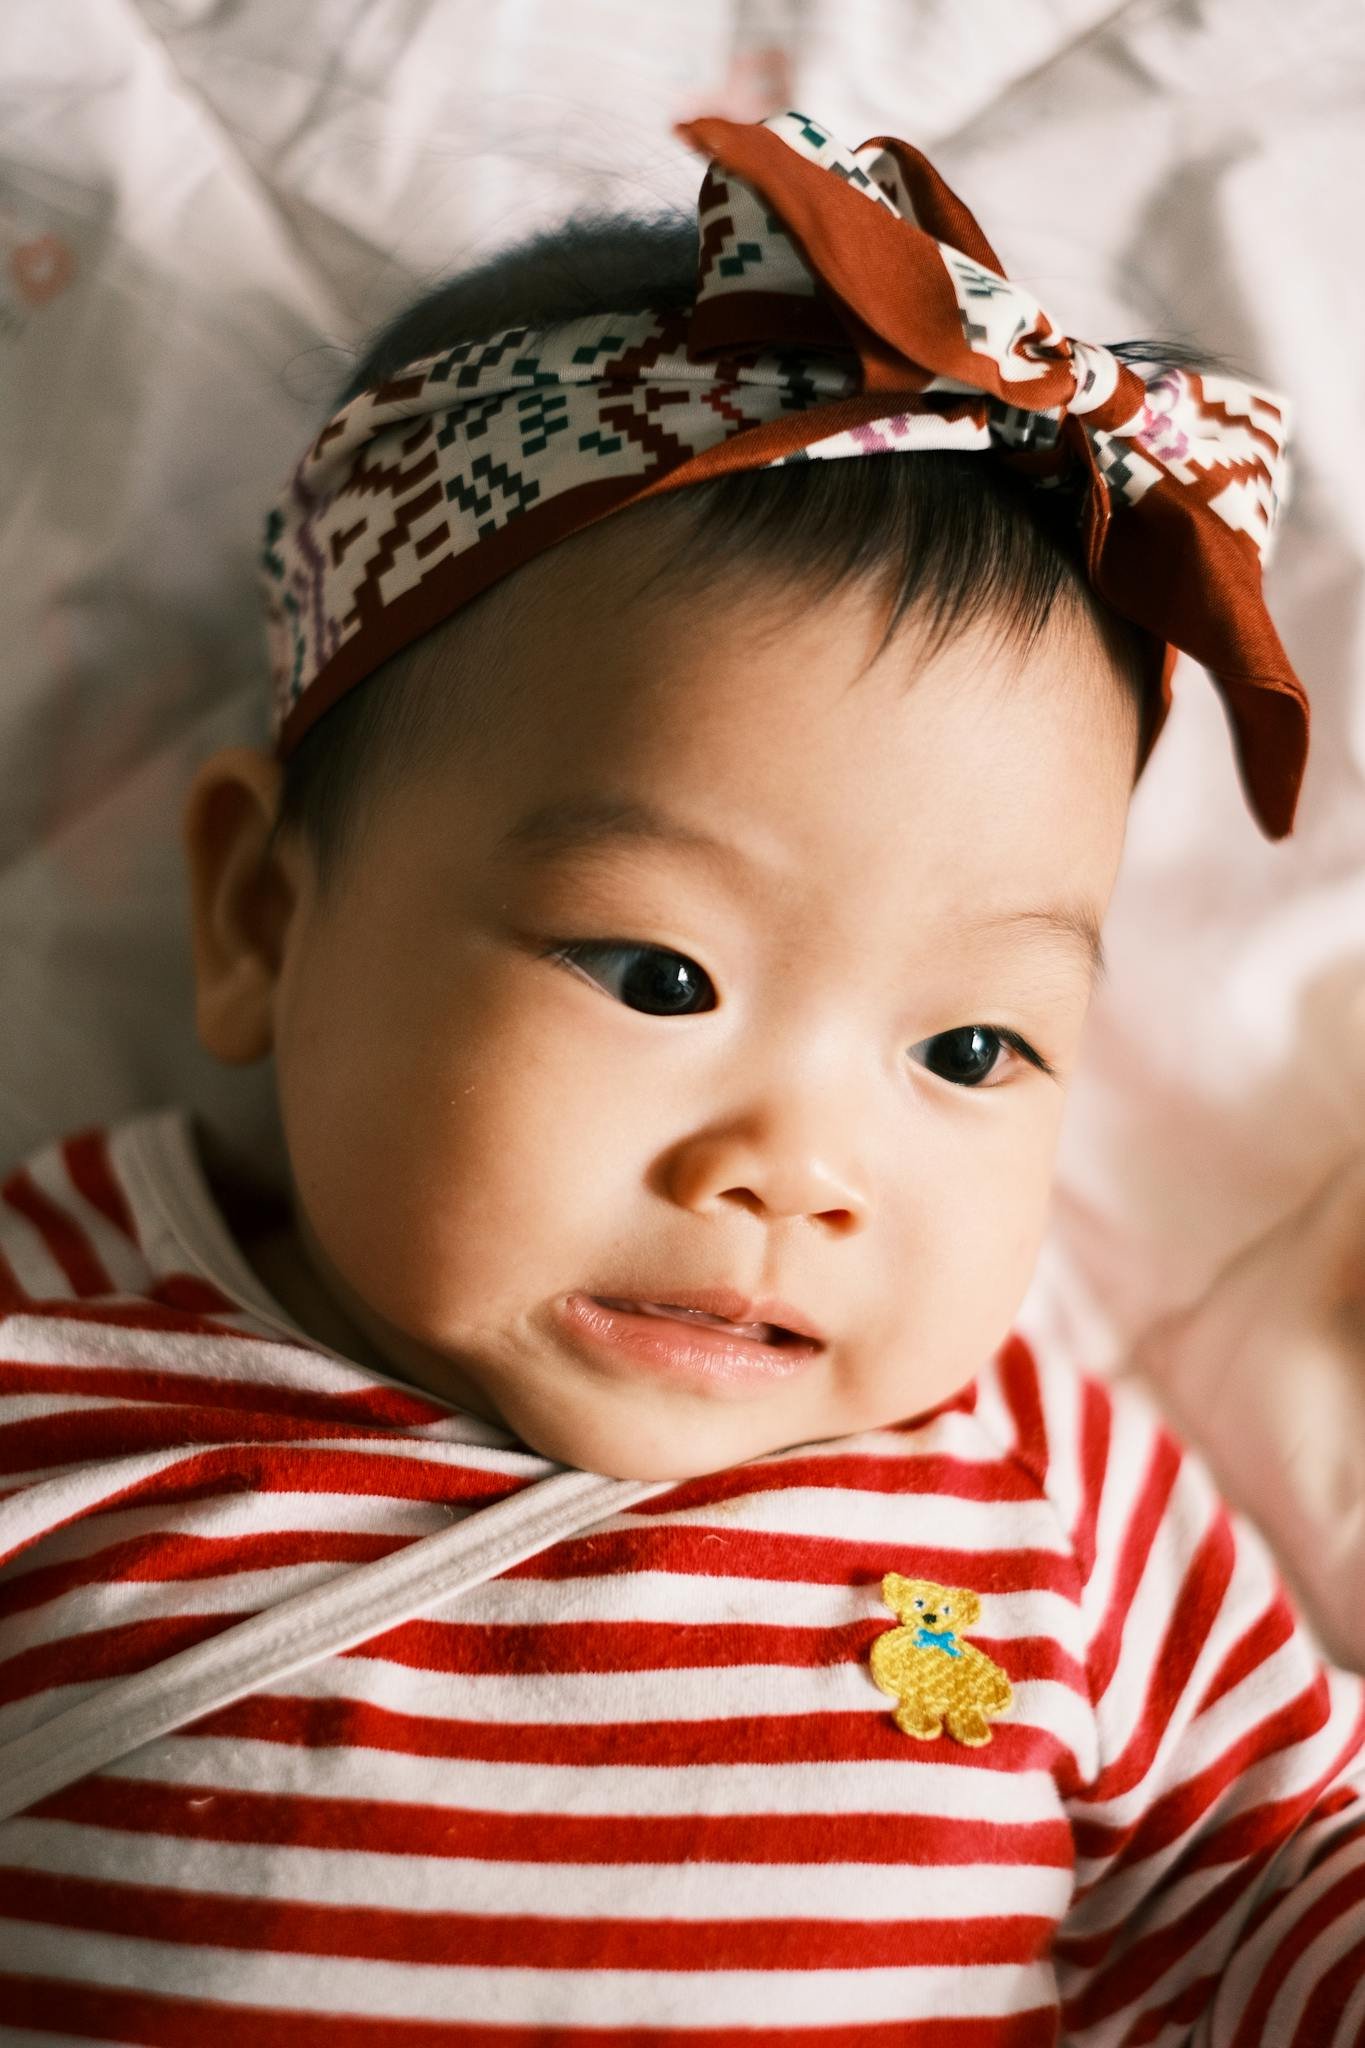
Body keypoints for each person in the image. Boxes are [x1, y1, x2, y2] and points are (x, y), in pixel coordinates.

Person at [0, 107, 1360, 2043]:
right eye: (655, 970)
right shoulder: (66, 1336)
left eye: (967, 1046)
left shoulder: (1046, 1505)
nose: (795, 1166)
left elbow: (1270, 1873)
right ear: (259, 920)